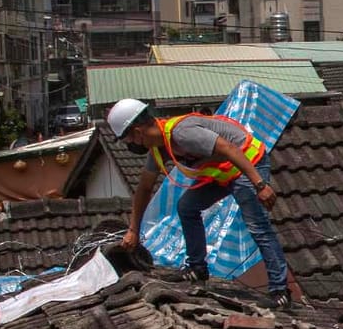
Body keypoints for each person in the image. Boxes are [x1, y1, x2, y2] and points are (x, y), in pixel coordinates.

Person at [108, 98, 295, 309]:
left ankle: (280, 291)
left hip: (247, 165)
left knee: (258, 227)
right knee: (187, 207)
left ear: (137, 131)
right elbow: (144, 188)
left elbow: (230, 149)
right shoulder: (159, 149)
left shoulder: (182, 133)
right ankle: (197, 267)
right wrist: (133, 229)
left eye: (127, 140)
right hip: (223, 173)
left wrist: (260, 185)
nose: (131, 145)